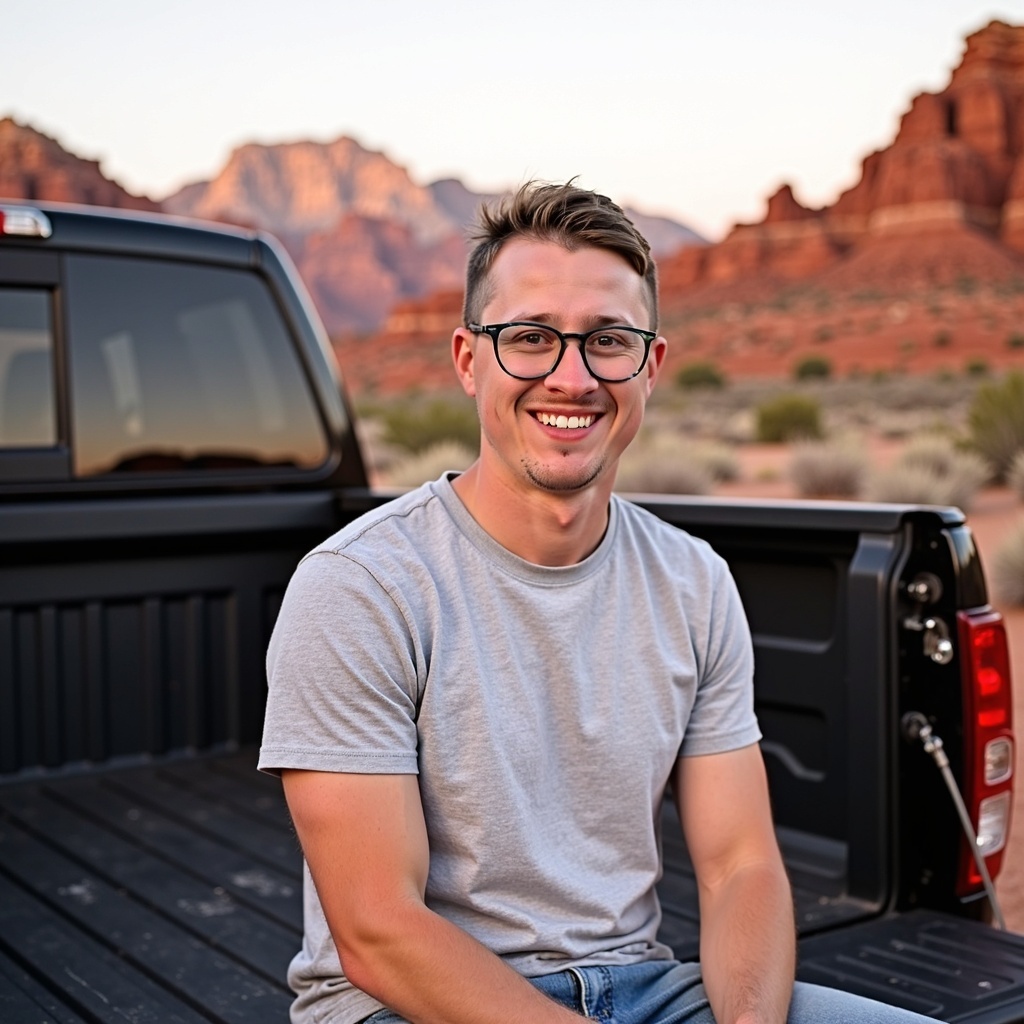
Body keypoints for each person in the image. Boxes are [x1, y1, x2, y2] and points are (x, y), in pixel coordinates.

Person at [259, 181, 941, 1024]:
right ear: (470, 360)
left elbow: (740, 867)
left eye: (608, 341)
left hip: (646, 989)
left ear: (649, 367)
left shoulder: (692, 582)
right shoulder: (361, 586)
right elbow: (377, 930)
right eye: (532, 339)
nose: (572, 378)